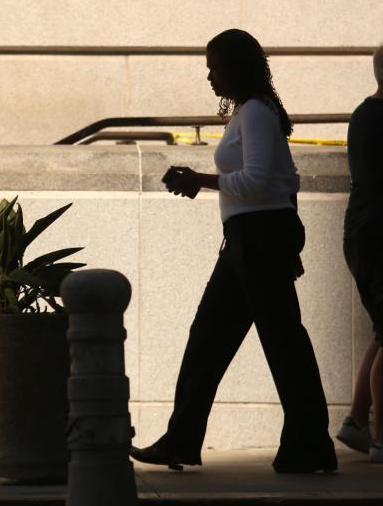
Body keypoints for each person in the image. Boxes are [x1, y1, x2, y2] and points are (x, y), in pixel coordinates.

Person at [130, 28, 337, 473]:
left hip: (258, 241)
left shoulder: (257, 114)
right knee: (211, 340)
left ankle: (309, 445)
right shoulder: (250, 112)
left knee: (281, 343)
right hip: (250, 240)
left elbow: (259, 181)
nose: (209, 76)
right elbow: (285, 180)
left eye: (215, 67)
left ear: (236, 67)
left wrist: (199, 180)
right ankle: (182, 440)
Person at [336, 45, 383, 461]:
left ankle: (356, 420)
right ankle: (381, 437)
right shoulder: (376, 118)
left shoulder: (364, 114)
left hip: (365, 232)